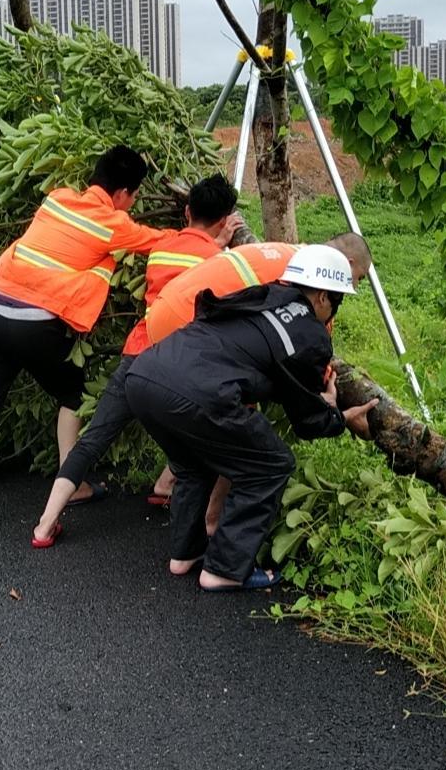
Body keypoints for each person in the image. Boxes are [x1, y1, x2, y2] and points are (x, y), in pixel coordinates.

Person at [0, 146, 174, 537]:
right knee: (73, 392)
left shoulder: (57, 199)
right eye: (132, 198)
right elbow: (162, 242)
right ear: (122, 195)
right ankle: (74, 480)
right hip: (35, 322)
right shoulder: (112, 223)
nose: (131, 206)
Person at [126, 245, 378, 591]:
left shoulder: (263, 294)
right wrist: (338, 415)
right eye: (338, 301)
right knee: (270, 465)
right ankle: (225, 570)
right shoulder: (311, 336)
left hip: (145, 375)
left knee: (192, 466)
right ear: (322, 297)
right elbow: (308, 422)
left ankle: (184, 555)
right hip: (199, 392)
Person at [28, 175, 245, 548]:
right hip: (184, 363)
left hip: (138, 354)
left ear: (187, 211)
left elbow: (184, 265)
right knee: (209, 429)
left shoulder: (162, 250)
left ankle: (45, 524)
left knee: (95, 437)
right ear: (226, 221)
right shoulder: (225, 264)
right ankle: (193, 510)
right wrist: (221, 248)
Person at [143, 232, 372, 345]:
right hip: (183, 326)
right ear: (347, 263)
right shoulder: (311, 280)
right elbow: (313, 344)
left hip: (163, 310)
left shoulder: (288, 252)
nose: (354, 286)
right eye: (358, 278)